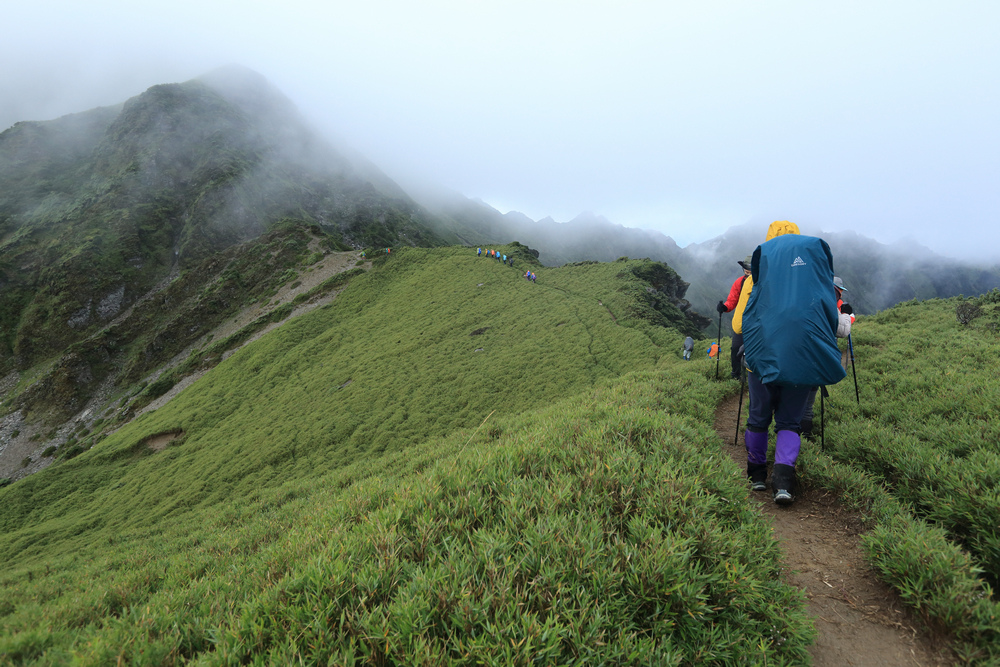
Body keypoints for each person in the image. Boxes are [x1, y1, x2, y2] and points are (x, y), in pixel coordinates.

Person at [740, 222, 853, 505]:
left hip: (761, 362)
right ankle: (783, 483)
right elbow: (834, 326)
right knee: (790, 422)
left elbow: (739, 323)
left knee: (758, 419)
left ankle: (756, 475)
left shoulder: (756, 278)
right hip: (803, 362)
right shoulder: (822, 285)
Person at [801, 276, 855, 438]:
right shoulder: (829, 306)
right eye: (838, 294)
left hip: (797, 355)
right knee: (808, 402)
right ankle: (805, 436)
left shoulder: (806, 299)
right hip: (817, 358)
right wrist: (847, 315)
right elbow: (843, 331)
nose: (838, 297)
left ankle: (788, 431)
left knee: (793, 398)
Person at [717, 255, 753, 379]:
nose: (746, 270)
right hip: (741, 323)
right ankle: (736, 374)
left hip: (756, 324)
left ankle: (753, 376)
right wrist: (725, 307)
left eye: (749, 268)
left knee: (755, 350)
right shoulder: (740, 282)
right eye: (745, 268)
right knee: (736, 349)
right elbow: (732, 300)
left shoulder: (761, 282)